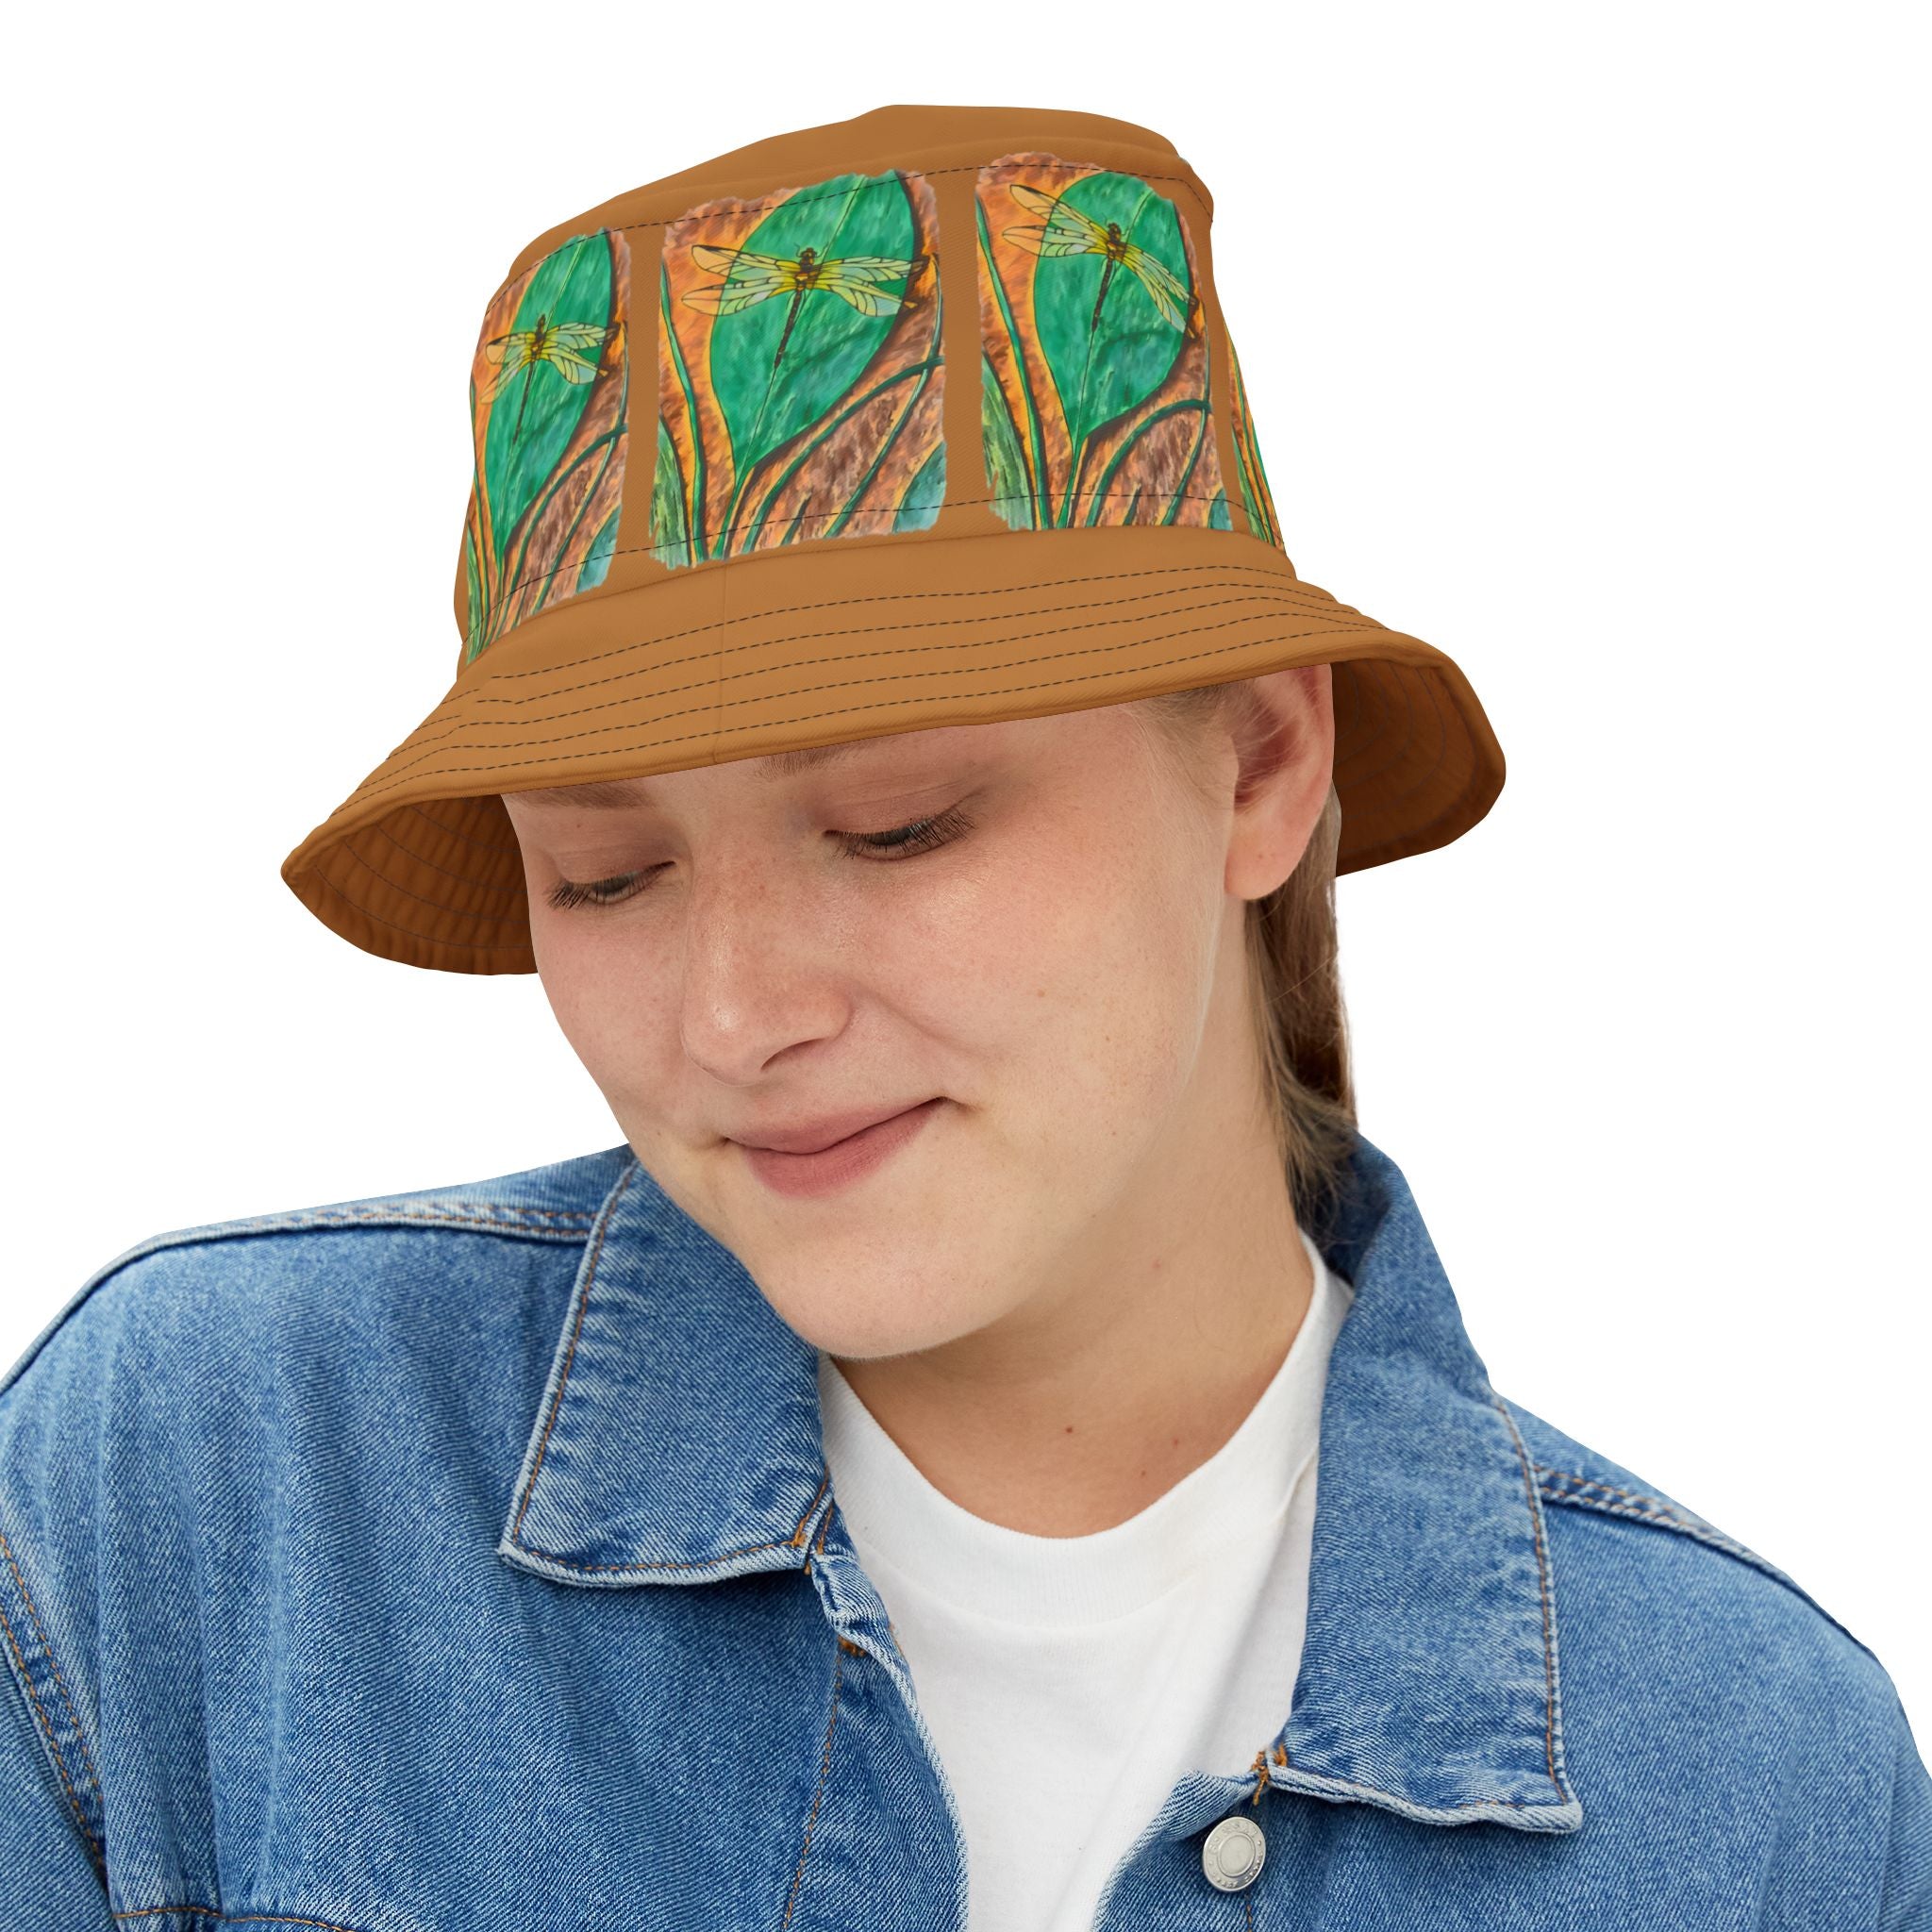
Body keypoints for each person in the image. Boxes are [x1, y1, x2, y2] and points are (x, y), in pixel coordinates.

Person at [3, 103, 1924, 1932]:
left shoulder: (1749, 1784)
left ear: (1259, 763)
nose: (736, 1012)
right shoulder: (205, 1490)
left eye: (895, 824)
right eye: (606, 873)